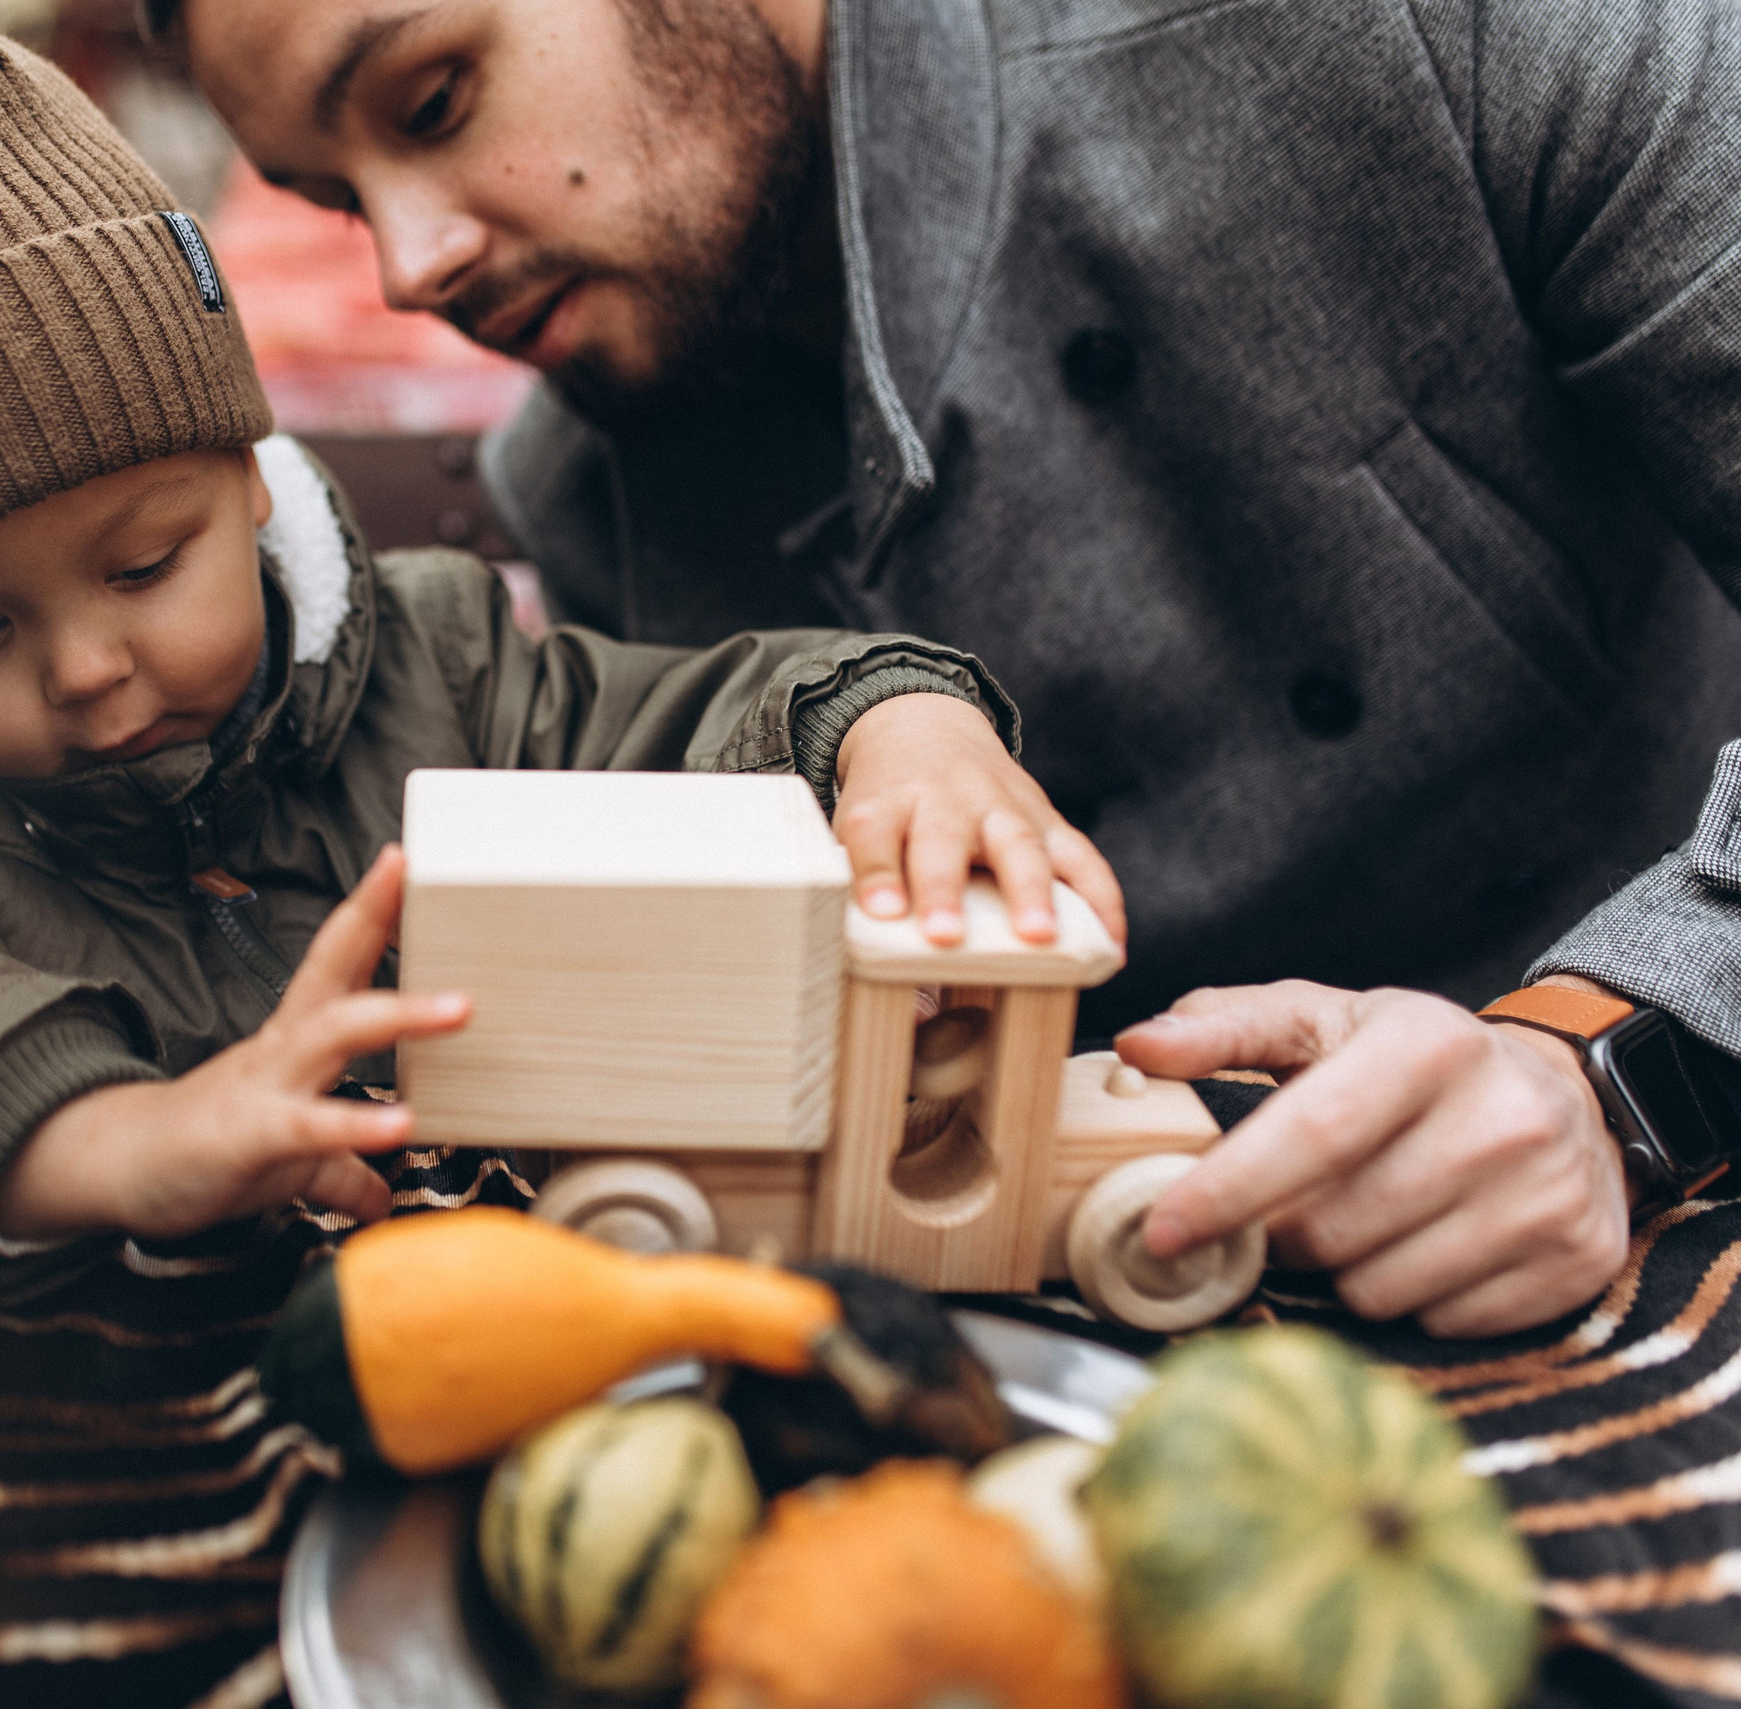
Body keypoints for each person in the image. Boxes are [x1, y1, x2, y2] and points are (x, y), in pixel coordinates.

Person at [158, 0, 1741, 1336]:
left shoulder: (1431, 33)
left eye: (433, 98)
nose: (410, 268)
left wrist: (1608, 1058)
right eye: (339, 202)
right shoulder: (584, 491)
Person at [0, 0, 1114, 1299]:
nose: (84, 670)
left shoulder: (437, 672)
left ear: (246, 480)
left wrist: (888, 723)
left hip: (501, 1347)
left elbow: (690, 710)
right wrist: (118, 1139)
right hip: (118, 1446)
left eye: (146, 564)